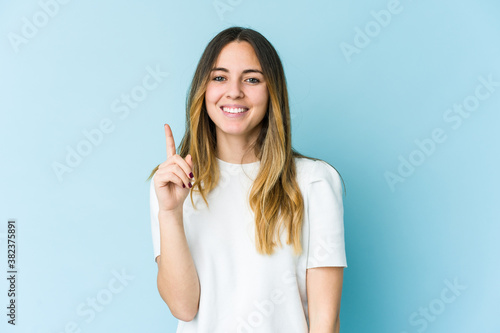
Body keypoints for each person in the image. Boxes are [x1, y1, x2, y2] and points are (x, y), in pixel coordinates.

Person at [147, 26, 347, 333]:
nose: (234, 91)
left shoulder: (314, 181)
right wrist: (170, 213)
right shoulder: (172, 185)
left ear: (272, 92)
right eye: (219, 77)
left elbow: (325, 321)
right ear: (204, 88)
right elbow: (183, 307)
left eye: (252, 79)